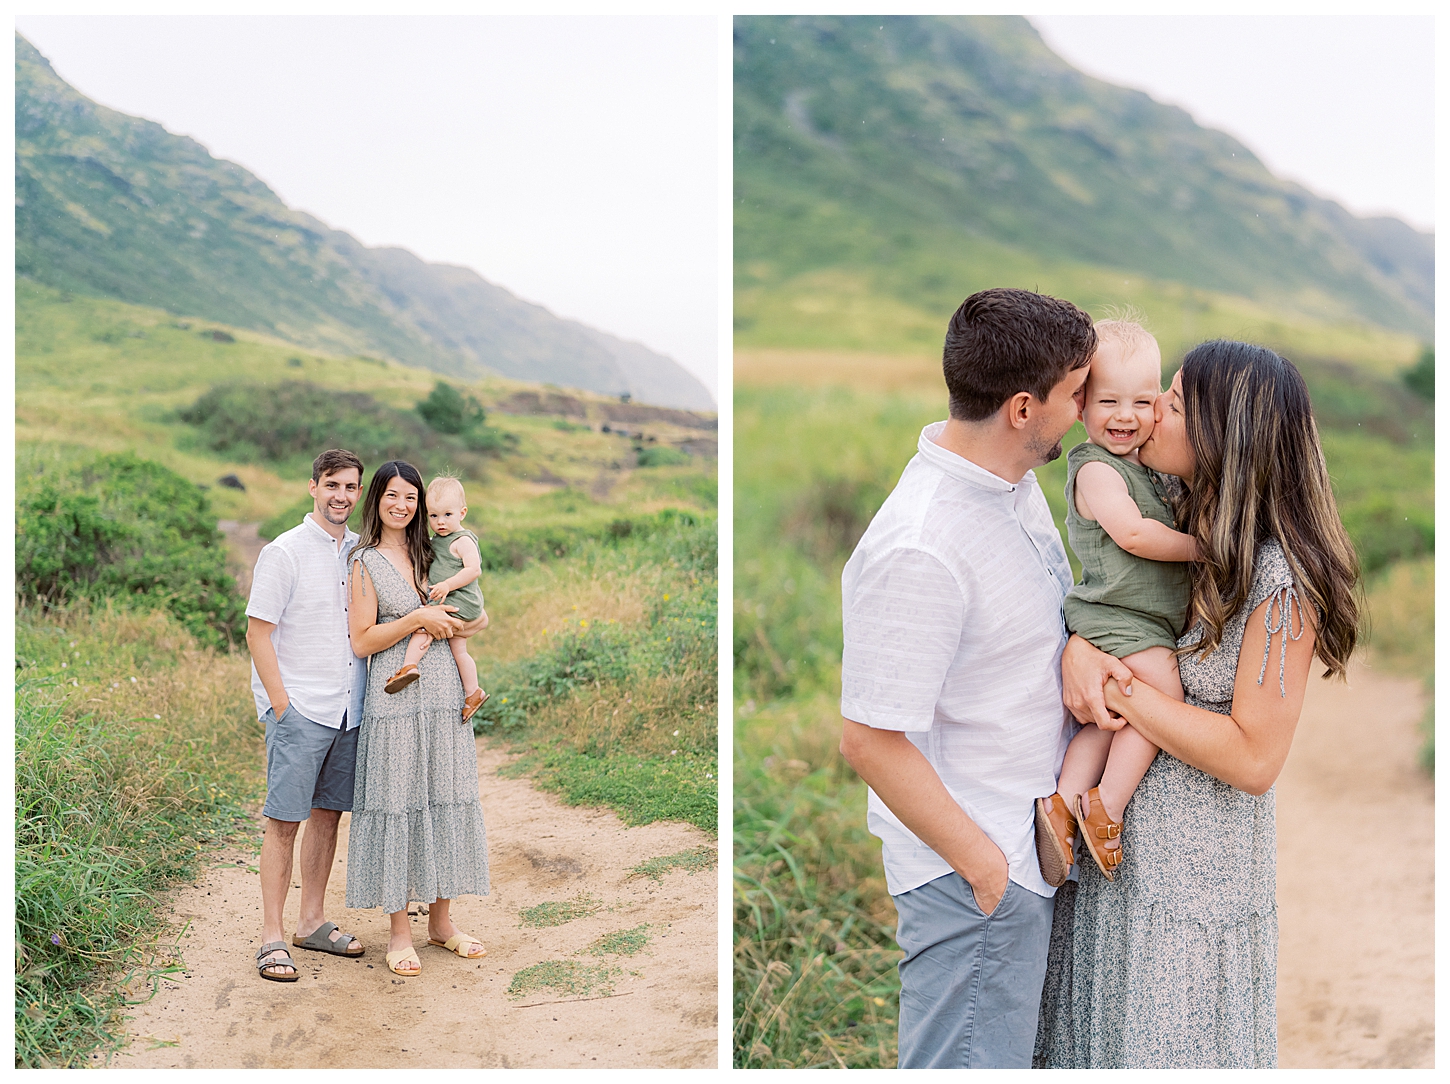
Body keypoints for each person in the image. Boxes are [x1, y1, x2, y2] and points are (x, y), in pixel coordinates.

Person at [1035, 340, 1361, 1069]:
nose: (1148, 416)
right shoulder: (1171, 513)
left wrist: (1120, 689)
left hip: (1191, 898)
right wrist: (1079, 648)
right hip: (1113, 875)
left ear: (1224, 435)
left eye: (1173, 404)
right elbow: (1112, 611)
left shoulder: (1279, 579)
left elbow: (1253, 758)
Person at [837, 287, 1097, 1068]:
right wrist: (991, 875)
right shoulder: (920, 545)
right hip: (975, 880)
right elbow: (870, 741)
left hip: (1021, 860)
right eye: (1075, 393)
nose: (1084, 411)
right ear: (1023, 407)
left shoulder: (1013, 487)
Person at [1035, 320, 1197, 887]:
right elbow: (1132, 535)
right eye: (1108, 401)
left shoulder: (1141, 466)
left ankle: (1062, 804)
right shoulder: (1098, 468)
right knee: (1161, 696)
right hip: (1117, 618)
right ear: (1080, 406)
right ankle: (1107, 805)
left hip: (1131, 619)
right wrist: (1205, 549)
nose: (1125, 415)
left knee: (1108, 720)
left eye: (1143, 401)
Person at [345, 460, 492, 978]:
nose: (402, 506)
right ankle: (399, 932)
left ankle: (442, 924)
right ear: (377, 501)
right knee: (397, 798)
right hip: (394, 690)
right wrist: (415, 619)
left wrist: (472, 619)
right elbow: (361, 640)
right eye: (393, 496)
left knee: (445, 794)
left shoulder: (434, 549)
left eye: (411, 497)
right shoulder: (364, 561)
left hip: (444, 691)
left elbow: (474, 612)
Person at [246, 448, 371, 982]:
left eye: (350, 487)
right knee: (283, 823)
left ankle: (312, 922)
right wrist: (281, 706)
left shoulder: (360, 553)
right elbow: (258, 632)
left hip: (348, 708)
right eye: (332, 485)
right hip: (299, 708)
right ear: (313, 487)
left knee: (327, 817)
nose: (341, 496)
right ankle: (272, 937)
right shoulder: (284, 552)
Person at [381, 474, 489, 723]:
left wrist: (447, 585)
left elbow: (474, 570)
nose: (440, 522)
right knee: (459, 650)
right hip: (452, 597)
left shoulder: (462, 540)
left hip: (463, 598)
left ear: (462, 512)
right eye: (434, 516)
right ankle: (473, 693)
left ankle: (408, 666)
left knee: (424, 627)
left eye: (447, 515)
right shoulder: (437, 540)